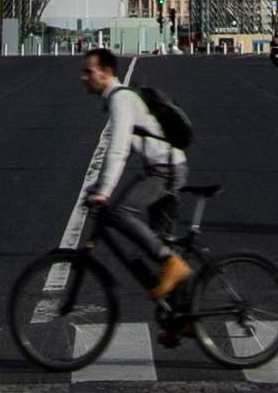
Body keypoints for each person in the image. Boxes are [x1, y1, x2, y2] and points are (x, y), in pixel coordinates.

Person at [74, 45, 195, 311]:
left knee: (119, 213)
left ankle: (171, 265)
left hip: (165, 170)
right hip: (164, 167)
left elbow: (118, 148)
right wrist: (100, 186)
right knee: (159, 245)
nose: (84, 77)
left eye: (88, 71)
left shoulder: (120, 100)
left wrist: (103, 192)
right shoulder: (119, 99)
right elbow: (126, 149)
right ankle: (182, 318)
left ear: (106, 72)